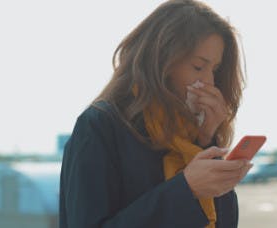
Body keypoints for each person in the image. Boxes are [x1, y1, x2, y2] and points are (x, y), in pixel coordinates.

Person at [59, 0, 253, 227]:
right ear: (161, 61)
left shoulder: (192, 138)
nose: (209, 80)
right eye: (199, 67)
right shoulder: (100, 126)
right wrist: (186, 189)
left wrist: (206, 140)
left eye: (215, 69)